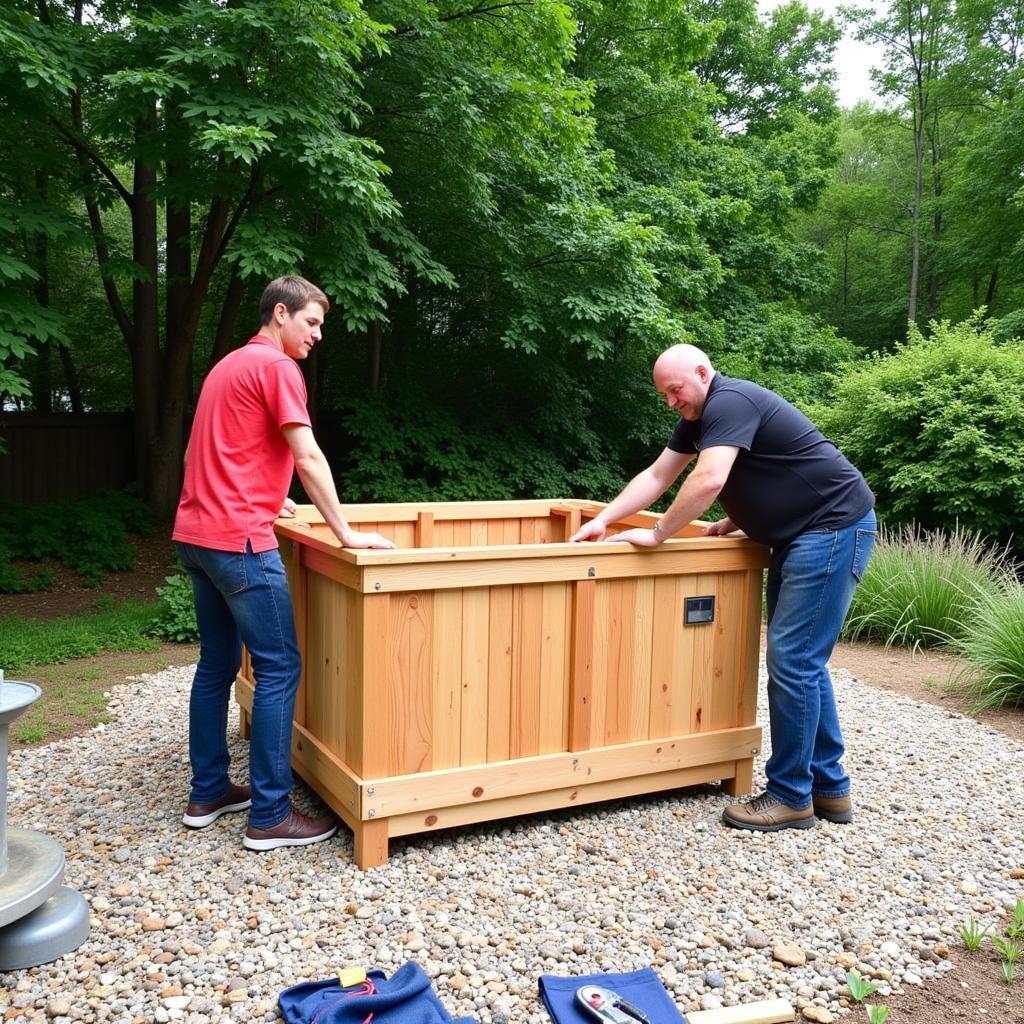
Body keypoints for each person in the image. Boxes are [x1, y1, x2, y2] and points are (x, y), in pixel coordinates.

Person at [571, 344, 876, 832]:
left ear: (701, 372)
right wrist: (604, 521)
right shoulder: (698, 418)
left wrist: (657, 534)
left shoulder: (730, 401)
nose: (671, 401)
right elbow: (659, 474)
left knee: (794, 661)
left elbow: (709, 478)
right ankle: (829, 790)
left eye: (675, 390)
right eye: (664, 395)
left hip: (832, 529)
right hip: (809, 532)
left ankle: (790, 796)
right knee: (803, 663)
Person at [172, 275, 395, 850]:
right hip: (240, 542)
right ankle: (270, 815)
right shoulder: (276, 368)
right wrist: (345, 532)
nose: (318, 334)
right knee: (278, 666)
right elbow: (308, 454)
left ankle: (208, 792)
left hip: (196, 535)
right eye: (312, 322)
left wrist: (269, 495)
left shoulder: (228, 366)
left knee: (216, 663)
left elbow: (226, 449)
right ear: (280, 314)